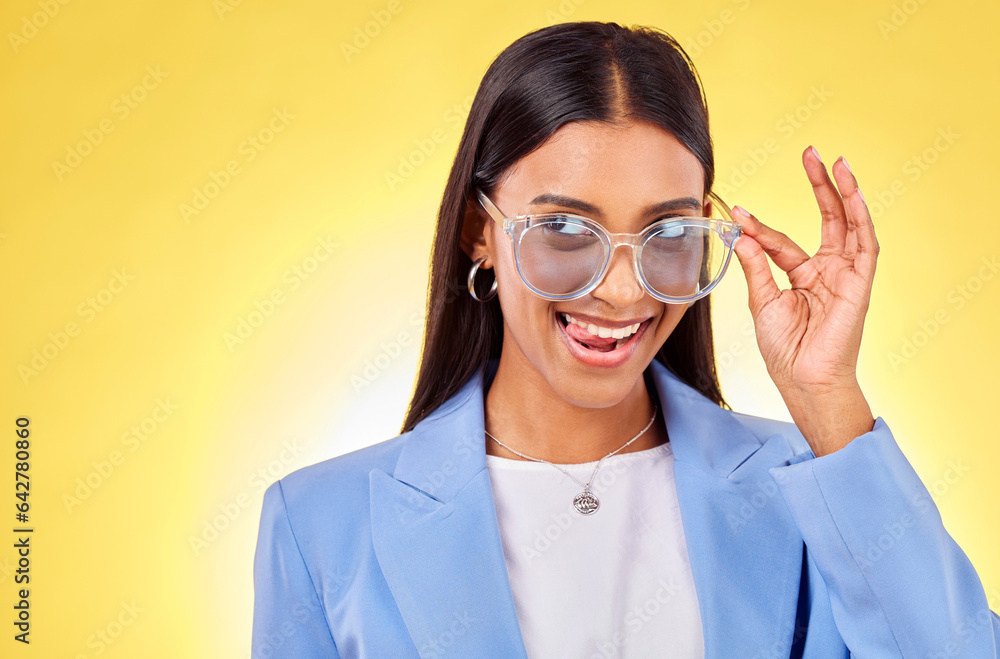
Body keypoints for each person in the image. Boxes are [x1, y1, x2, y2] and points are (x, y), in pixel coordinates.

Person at [251, 21, 1000, 658]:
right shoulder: (320, 525)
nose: (621, 289)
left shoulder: (809, 488)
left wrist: (828, 400)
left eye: (666, 231)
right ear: (480, 231)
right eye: (565, 229)